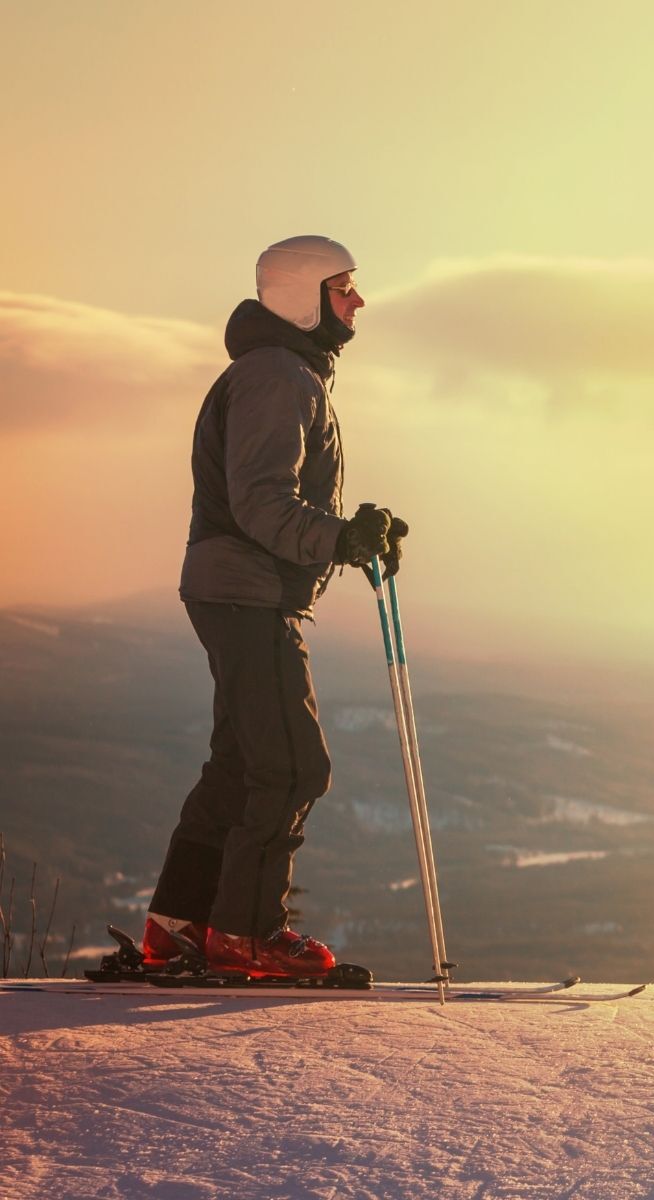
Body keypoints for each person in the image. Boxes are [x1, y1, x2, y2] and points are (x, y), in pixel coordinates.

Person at [142, 235, 407, 979]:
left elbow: (271, 497)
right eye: (343, 286)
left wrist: (357, 531)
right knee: (294, 765)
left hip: (235, 589)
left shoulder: (283, 373)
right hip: (247, 591)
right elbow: (263, 503)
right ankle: (248, 935)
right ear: (303, 296)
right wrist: (340, 539)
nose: (357, 300)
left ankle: (180, 922)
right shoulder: (276, 377)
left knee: (240, 763)